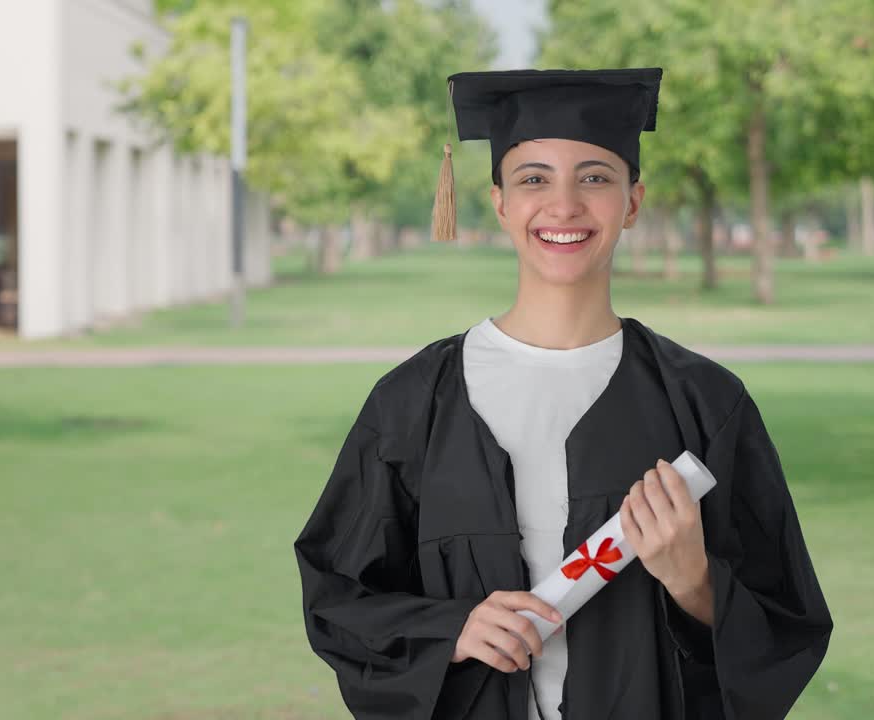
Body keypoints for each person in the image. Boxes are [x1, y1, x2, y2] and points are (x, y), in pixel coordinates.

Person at [293, 67, 832, 720]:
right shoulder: (412, 404)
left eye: (596, 177)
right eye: (534, 178)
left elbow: (789, 623)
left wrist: (695, 581)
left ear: (633, 200)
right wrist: (450, 630)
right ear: (500, 202)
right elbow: (338, 595)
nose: (564, 205)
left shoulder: (705, 405)